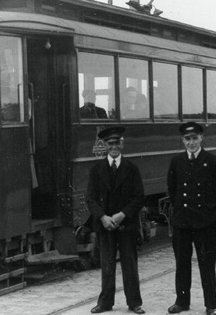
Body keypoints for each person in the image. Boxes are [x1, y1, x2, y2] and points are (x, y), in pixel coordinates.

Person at [166, 122, 216, 315]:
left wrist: (208, 212)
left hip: (204, 222)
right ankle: (182, 301)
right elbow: (172, 190)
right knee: (182, 263)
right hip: (182, 222)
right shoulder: (176, 161)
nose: (191, 143)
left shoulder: (213, 161)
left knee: (207, 265)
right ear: (182, 140)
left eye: (194, 138)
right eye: (187, 139)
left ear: (201, 138)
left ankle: (211, 305)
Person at [85, 126, 146, 314]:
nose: (114, 147)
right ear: (104, 146)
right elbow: (90, 198)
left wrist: (122, 215)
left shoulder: (132, 169)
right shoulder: (96, 170)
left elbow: (139, 197)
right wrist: (102, 217)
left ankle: (134, 303)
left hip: (126, 224)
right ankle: (105, 303)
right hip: (106, 225)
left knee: (130, 264)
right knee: (107, 266)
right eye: (110, 144)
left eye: (117, 143)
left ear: (122, 144)